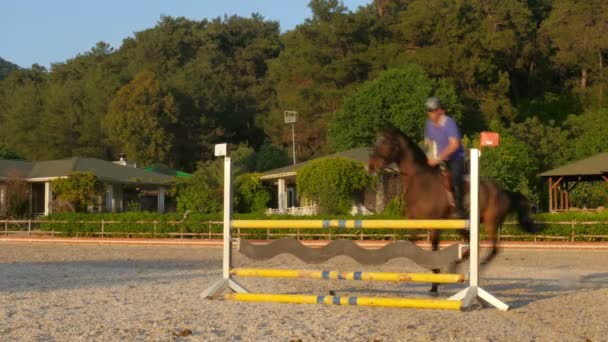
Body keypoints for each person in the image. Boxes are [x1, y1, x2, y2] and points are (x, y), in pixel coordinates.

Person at [423, 97, 466, 218]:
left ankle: (460, 208)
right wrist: (428, 158)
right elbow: (428, 144)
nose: (431, 113)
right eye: (429, 110)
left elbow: (454, 144)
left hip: (456, 157)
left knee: (455, 178)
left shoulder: (449, 123)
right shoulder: (428, 125)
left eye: (433, 110)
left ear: (439, 110)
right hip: (440, 158)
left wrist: (438, 158)